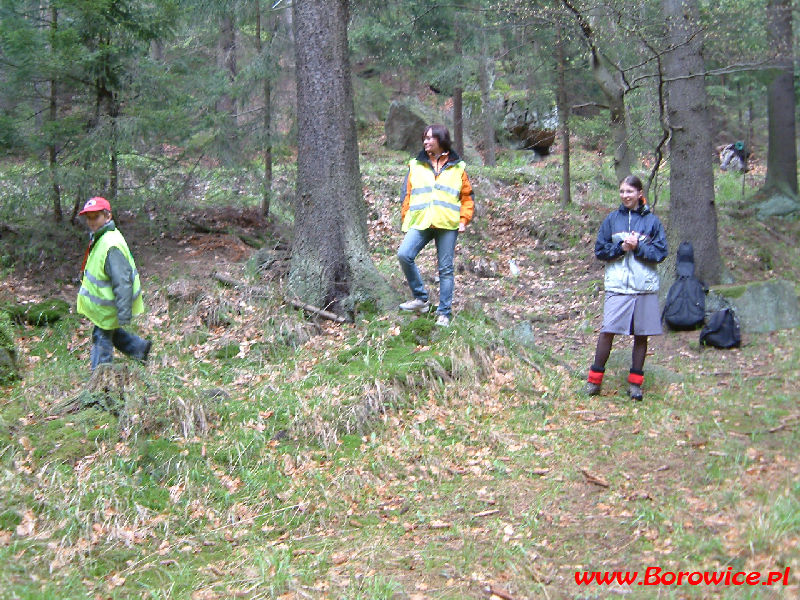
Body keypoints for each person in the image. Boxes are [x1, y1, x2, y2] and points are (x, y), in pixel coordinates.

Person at [584, 175, 667, 400]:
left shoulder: (652, 222)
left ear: (639, 193)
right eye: (622, 191)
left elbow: (660, 253)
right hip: (618, 286)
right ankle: (594, 381)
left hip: (644, 287)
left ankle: (635, 384)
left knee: (641, 335)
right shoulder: (612, 220)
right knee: (608, 330)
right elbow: (600, 251)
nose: (625, 196)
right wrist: (621, 247)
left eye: (629, 191)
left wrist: (638, 247)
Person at [397, 124, 474, 327]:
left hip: (448, 223)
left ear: (441, 140)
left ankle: (444, 314)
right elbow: (408, 194)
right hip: (421, 221)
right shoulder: (415, 164)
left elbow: (467, 197)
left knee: (446, 269)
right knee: (404, 254)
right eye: (424, 138)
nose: (426, 142)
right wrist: (406, 217)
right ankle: (421, 299)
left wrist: (463, 220)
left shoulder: (458, 167)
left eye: (430, 138)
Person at [76, 196, 151, 370]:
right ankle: (139, 349)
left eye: (96, 217)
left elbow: (123, 281)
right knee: (110, 332)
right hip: (105, 306)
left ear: (107, 216)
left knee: (101, 339)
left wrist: (123, 313)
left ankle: (100, 382)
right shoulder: (101, 238)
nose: (91, 222)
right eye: (88, 217)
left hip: (110, 307)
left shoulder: (111, 244)